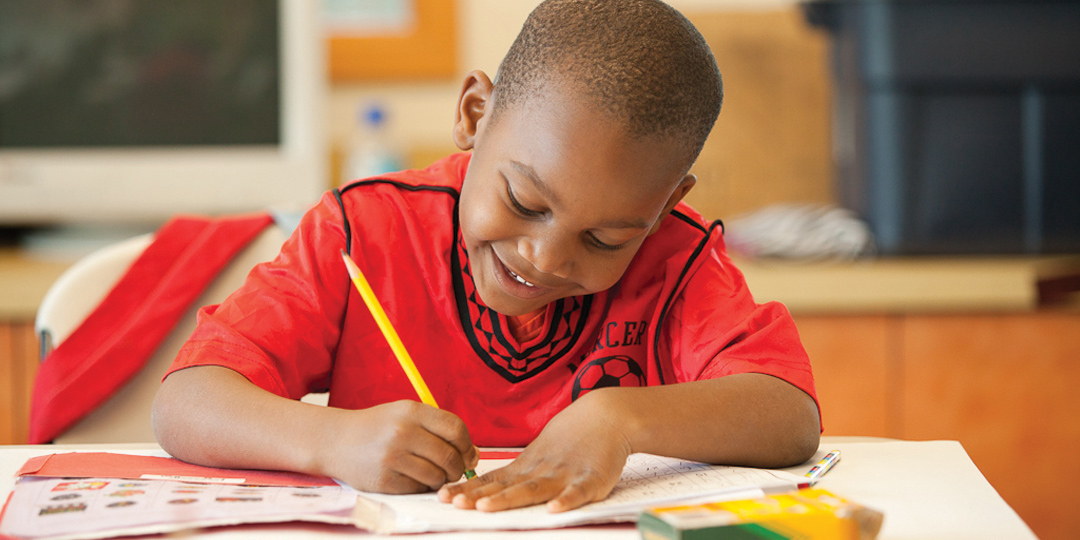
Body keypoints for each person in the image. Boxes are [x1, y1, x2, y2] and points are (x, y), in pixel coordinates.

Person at [152, 0, 821, 514]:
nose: (545, 256)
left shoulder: (675, 256)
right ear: (474, 114)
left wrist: (620, 418)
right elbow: (187, 402)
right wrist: (331, 440)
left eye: (605, 240)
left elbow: (790, 417)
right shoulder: (363, 232)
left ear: (666, 202)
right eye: (526, 202)